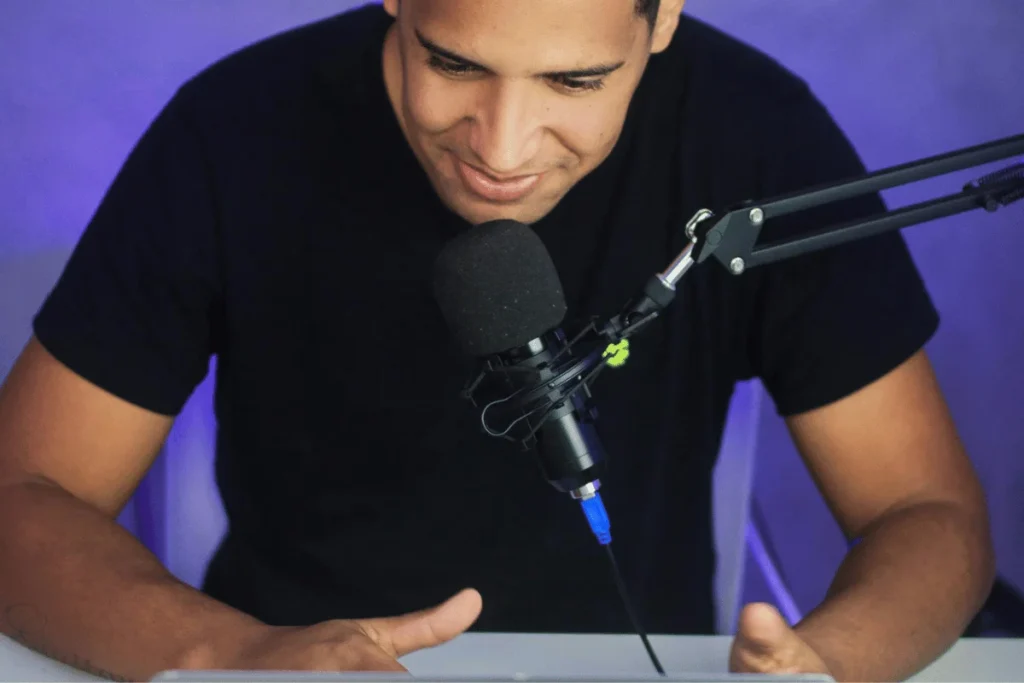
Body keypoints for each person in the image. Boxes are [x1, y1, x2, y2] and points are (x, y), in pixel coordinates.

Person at [0, 0, 995, 681]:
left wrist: (829, 660)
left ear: (664, 17)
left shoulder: (758, 135)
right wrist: (233, 653)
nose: (501, 148)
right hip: (282, 657)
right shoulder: (232, 126)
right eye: (452, 61)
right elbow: (20, 502)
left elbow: (925, 507)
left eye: (575, 80)